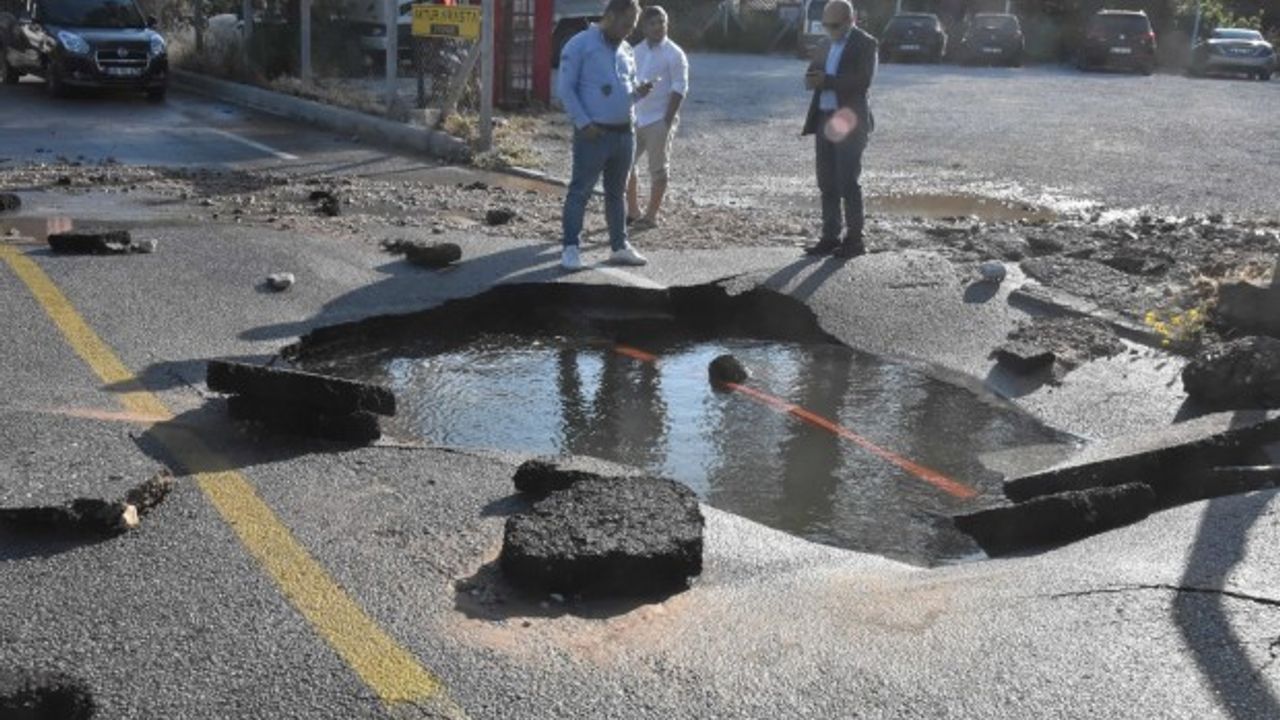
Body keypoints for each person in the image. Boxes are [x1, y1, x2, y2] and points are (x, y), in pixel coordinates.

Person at [557, 0, 652, 272]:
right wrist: (583, 122)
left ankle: (619, 246)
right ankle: (571, 247)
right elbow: (565, 88)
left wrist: (638, 92)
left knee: (616, 193)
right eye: (626, 24)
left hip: (625, 133)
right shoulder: (579, 44)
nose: (629, 31)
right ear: (609, 16)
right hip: (593, 133)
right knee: (580, 191)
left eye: (632, 26)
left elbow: (625, 89)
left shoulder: (626, 50)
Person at [802, 0, 877, 259]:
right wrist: (811, 79)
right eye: (825, 25)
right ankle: (830, 237)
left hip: (849, 120)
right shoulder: (824, 44)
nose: (829, 30)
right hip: (824, 118)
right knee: (826, 182)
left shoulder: (865, 43)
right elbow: (813, 73)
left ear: (850, 20)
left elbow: (862, 81)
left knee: (848, 181)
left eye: (834, 25)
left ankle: (855, 240)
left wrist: (828, 81)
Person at [626, 5, 688, 230]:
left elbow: (680, 88)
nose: (658, 27)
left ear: (667, 24)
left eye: (661, 22)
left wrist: (667, 120)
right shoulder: (635, 51)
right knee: (626, 165)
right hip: (634, 118)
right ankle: (633, 211)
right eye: (652, 23)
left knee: (658, 169)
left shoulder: (675, 53)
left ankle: (651, 215)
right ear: (643, 27)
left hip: (658, 120)